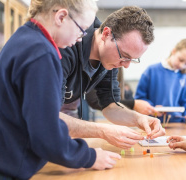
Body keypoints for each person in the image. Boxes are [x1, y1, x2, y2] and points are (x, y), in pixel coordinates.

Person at [0, 1, 121, 179]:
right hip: (6, 167)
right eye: (81, 30)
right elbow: (46, 135)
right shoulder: (42, 54)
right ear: (61, 17)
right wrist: (90, 157)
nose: (81, 38)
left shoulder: (24, 36)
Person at [59, 6, 165, 150]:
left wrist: (139, 119)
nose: (126, 65)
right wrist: (103, 131)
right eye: (124, 56)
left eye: (133, 59)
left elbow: (110, 106)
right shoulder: (68, 45)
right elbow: (47, 115)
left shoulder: (109, 60)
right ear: (106, 34)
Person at [135, 39, 186, 125]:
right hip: (152, 122)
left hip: (177, 125)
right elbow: (139, 99)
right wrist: (151, 108)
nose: (182, 65)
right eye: (180, 60)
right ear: (174, 51)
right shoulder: (151, 71)